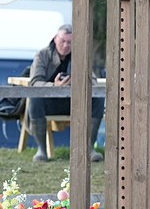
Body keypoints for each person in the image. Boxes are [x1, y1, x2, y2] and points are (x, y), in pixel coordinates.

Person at [26, 24, 105, 163]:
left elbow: (92, 81)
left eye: (69, 42)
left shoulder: (80, 56)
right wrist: (54, 86)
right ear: (55, 39)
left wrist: (77, 82)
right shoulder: (42, 55)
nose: (66, 45)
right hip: (49, 102)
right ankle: (42, 150)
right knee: (35, 98)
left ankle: (89, 149)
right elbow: (35, 82)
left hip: (73, 102)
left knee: (97, 98)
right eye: (62, 41)